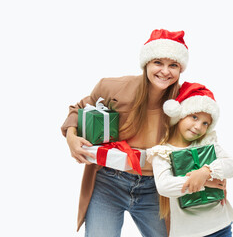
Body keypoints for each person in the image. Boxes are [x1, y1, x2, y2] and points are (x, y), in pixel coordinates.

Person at [61, 29, 190, 236]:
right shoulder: (113, 88)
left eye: (173, 65)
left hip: (156, 189)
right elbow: (78, 110)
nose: (165, 71)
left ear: (180, 69)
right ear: (146, 63)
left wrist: (212, 176)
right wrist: (71, 137)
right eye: (158, 62)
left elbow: (204, 137)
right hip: (109, 183)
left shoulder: (185, 101)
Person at [146, 82, 233, 237]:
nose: (198, 126)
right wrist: (205, 181)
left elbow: (232, 166)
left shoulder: (207, 144)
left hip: (220, 224)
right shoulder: (162, 152)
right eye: (194, 117)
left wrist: (206, 171)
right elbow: (164, 186)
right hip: (189, 231)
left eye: (205, 123)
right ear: (180, 116)